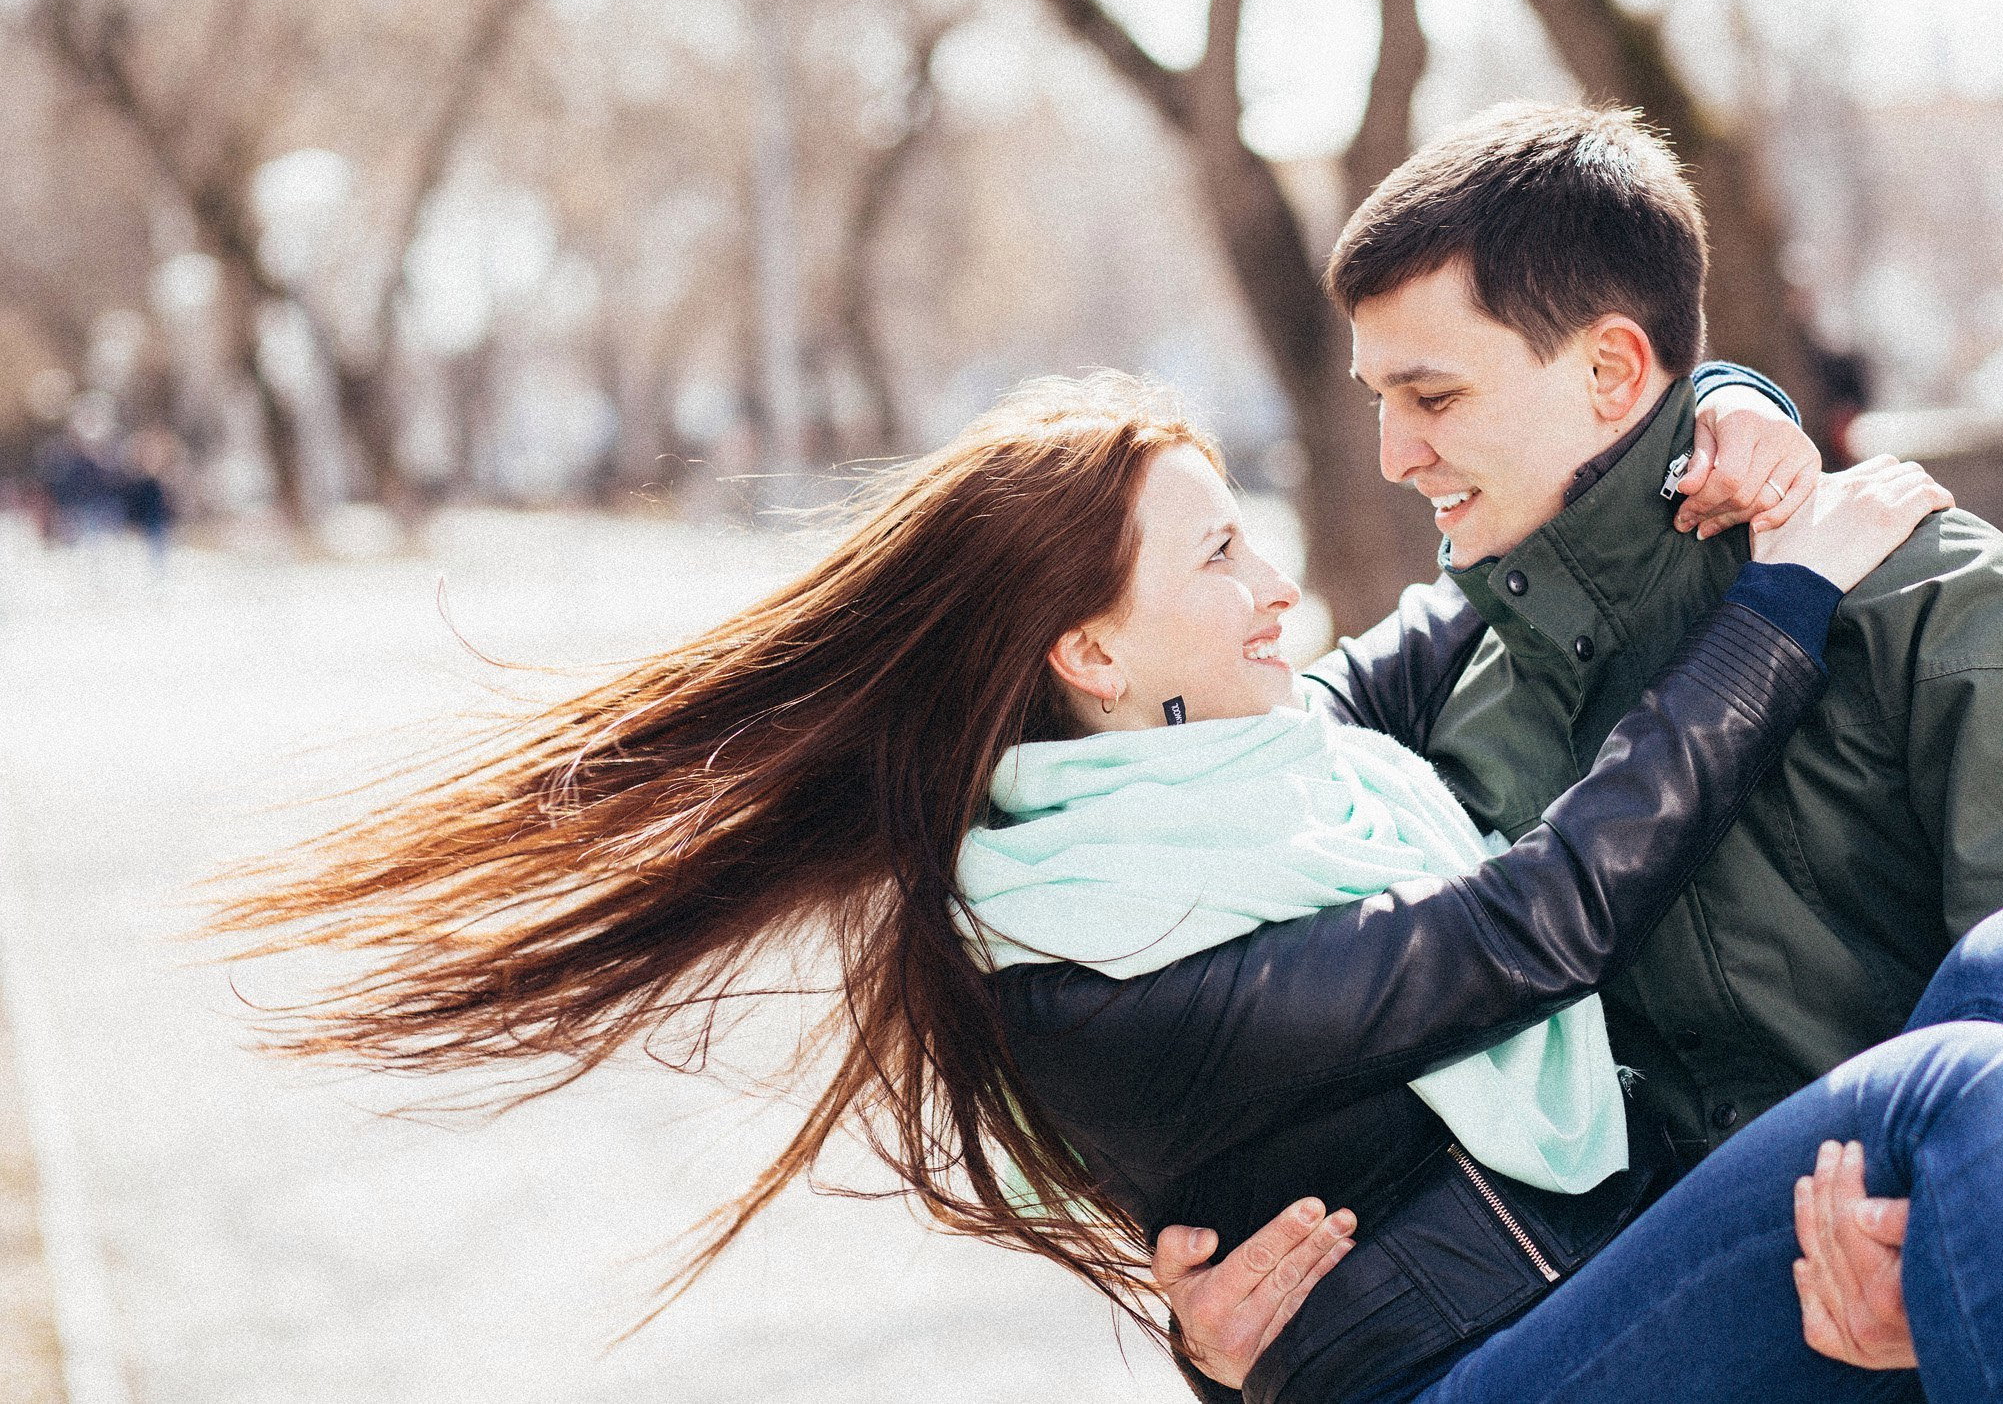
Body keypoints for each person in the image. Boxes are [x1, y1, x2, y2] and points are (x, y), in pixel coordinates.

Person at [205, 366, 1900, 1357]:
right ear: (1093, 653)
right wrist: (1786, 604)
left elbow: (1480, 575)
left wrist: (1723, 403)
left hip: (1583, 1281)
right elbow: (1541, 923)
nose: (1275, 581)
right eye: (1222, 551)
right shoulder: (1102, 973)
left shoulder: (1261, 752)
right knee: (1973, 1084)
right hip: (1521, 1358)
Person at [1158, 101, 2003, 1398]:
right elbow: (1319, 1108)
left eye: (1433, 395)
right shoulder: (1423, 707)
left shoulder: (1913, 592)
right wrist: (1233, 1331)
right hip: (1641, 1350)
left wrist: (1963, 1257)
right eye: (1380, 399)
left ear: (1608, 372)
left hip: (1962, 1345)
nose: (1393, 454)